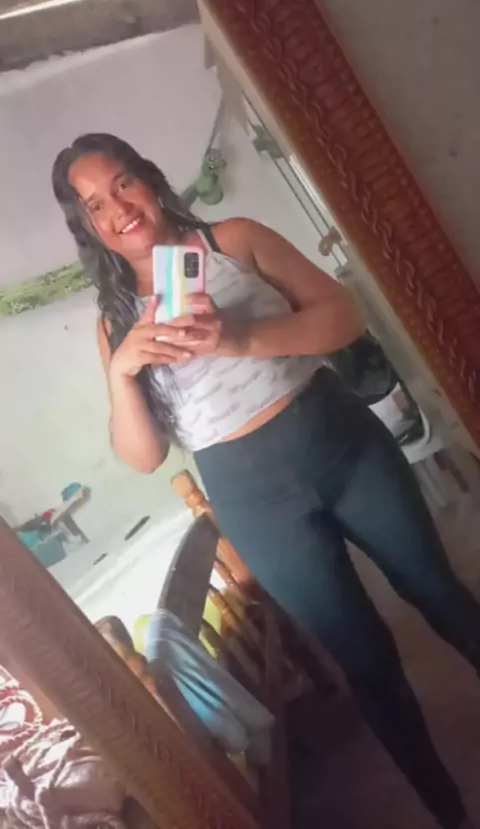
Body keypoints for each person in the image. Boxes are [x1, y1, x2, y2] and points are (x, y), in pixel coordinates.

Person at [53, 133, 478, 829]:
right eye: (95, 205)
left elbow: (343, 314)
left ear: (149, 179)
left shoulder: (233, 240)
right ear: (89, 226)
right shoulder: (115, 322)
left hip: (343, 445)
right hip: (253, 499)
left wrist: (238, 338)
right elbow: (144, 456)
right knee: (364, 658)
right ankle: (447, 808)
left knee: (438, 591)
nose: (118, 209)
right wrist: (123, 371)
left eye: (123, 183)